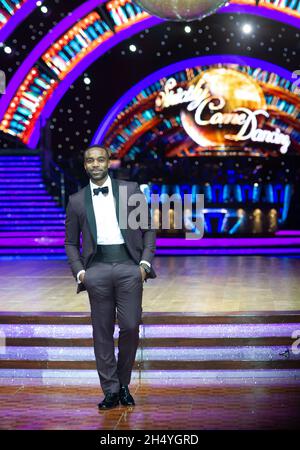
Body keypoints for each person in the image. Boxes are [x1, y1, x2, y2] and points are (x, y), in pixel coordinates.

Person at [65, 145, 156, 409]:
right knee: (102, 331)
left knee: (130, 326)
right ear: (85, 166)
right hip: (97, 269)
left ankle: (124, 382)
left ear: (108, 162)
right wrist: (81, 271)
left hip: (130, 267)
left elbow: (148, 228)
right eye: (90, 160)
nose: (95, 164)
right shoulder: (77, 200)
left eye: (100, 159)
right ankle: (111, 390)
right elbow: (70, 242)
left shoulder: (130, 191)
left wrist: (144, 265)